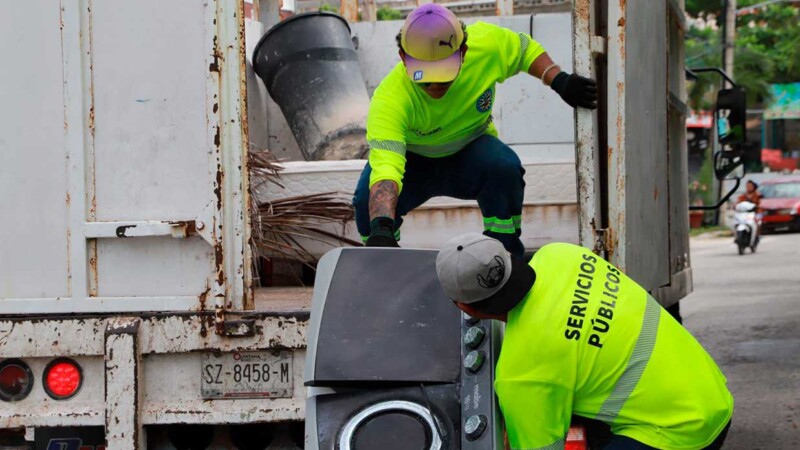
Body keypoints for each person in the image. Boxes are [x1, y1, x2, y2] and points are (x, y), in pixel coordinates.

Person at [435, 233, 733, 450]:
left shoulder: (521, 373)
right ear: (509, 258)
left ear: (466, 308)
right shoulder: (563, 255)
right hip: (714, 397)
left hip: (681, 434)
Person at [353, 4, 598, 258]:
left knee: (503, 167)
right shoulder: (389, 100)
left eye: (444, 75)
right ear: (404, 58)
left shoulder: (486, 45)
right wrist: (382, 227)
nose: (435, 85)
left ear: (463, 52)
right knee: (365, 204)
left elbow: (523, 49)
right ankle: (382, 259)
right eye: (425, 77)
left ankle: (505, 256)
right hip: (413, 161)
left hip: (471, 149)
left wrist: (559, 80)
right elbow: (386, 170)